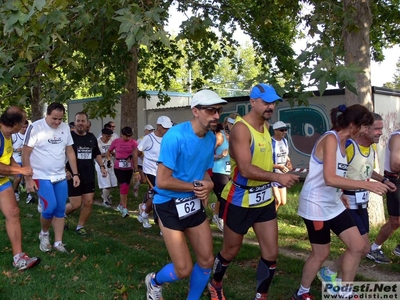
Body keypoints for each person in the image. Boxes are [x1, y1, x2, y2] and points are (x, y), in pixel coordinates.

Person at [208, 83, 299, 300]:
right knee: (231, 250)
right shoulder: (241, 128)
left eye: (273, 103)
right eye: (266, 102)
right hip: (240, 198)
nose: (270, 107)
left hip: (264, 198)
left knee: (271, 253)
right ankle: (215, 283)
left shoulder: (266, 128)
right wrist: (278, 177)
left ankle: (261, 295)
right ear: (252, 102)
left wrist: (278, 168)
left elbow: (263, 163)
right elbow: (246, 168)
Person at [293, 105, 389, 300]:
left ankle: (345, 292)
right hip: (316, 205)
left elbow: (337, 177)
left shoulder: (346, 143)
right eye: (365, 127)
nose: (366, 131)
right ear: (353, 125)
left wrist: (340, 193)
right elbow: (329, 177)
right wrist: (365, 185)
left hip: (334, 203)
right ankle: (301, 293)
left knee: (359, 246)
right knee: (321, 254)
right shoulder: (330, 139)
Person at [145, 89, 227, 300]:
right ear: (195, 111)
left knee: (207, 260)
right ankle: (154, 281)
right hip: (168, 204)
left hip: (192, 203)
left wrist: (207, 185)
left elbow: (203, 174)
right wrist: (196, 186)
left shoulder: (210, 139)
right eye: (211, 110)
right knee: (183, 270)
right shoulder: (175, 136)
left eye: (218, 111)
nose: (216, 116)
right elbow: (162, 181)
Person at [317, 112, 396, 287]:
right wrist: (341, 193)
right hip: (348, 202)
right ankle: (335, 278)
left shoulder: (372, 148)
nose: (379, 132)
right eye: (376, 129)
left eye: (381, 128)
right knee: (360, 247)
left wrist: (383, 180)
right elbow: (335, 173)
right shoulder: (350, 146)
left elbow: (366, 170)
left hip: (362, 202)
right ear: (365, 129)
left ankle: (332, 275)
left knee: (362, 248)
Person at [23, 102, 80, 254]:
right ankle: (44, 233)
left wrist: (75, 174)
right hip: (40, 175)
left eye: (60, 119)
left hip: (60, 175)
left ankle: (58, 243)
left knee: (60, 210)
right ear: (47, 115)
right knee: (49, 208)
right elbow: (25, 153)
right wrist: (28, 178)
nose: (57, 122)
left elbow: (70, 152)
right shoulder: (35, 127)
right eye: (54, 118)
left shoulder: (65, 128)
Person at [0, 106, 40, 270]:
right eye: (24, 122)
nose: (25, 125)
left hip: (1, 182)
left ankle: (19, 258)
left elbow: (8, 159)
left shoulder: (8, 135)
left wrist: (22, 171)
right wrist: (20, 170)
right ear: (16, 123)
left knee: (14, 212)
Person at [64, 112, 107, 235]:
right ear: (74, 122)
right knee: (75, 205)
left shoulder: (92, 137)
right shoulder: (69, 137)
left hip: (88, 175)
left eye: (83, 121)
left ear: (87, 123)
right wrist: (65, 170)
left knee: (88, 202)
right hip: (73, 175)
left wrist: (102, 166)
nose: (80, 123)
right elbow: (60, 155)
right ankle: (60, 215)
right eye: (78, 121)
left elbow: (96, 153)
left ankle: (80, 227)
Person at [367, 116, 400, 263]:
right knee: (395, 221)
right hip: (396, 180)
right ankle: (374, 248)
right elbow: (394, 165)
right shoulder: (397, 138)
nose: (380, 132)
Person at [137, 116, 173, 228]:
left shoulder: (168, 138)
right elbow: (136, 153)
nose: (167, 130)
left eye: (168, 128)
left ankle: (144, 212)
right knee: (159, 194)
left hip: (163, 171)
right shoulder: (149, 138)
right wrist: (137, 171)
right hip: (150, 171)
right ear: (158, 126)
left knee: (156, 196)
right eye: (165, 128)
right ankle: (163, 224)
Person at [211, 113, 239, 232]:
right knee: (223, 195)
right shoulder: (219, 136)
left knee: (228, 196)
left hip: (231, 172)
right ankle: (217, 217)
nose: (233, 126)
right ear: (226, 124)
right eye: (231, 123)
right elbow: (207, 155)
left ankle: (216, 208)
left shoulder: (237, 137)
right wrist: (219, 155)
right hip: (218, 170)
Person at [106, 126, 140, 218]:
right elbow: (108, 151)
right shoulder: (116, 141)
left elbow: (138, 153)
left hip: (129, 168)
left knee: (126, 187)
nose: (128, 138)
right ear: (122, 135)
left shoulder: (133, 142)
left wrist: (132, 157)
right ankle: (125, 208)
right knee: (123, 185)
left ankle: (121, 204)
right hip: (118, 167)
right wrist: (109, 160)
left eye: (130, 136)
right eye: (126, 136)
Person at [271, 121, 293, 210]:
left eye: (286, 130)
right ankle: (270, 221)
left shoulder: (285, 141)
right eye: (282, 130)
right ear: (275, 131)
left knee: (283, 202)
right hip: (273, 175)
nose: (284, 132)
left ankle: (268, 215)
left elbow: (286, 155)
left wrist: (289, 163)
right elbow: (265, 162)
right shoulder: (270, 142)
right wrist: (278, 166)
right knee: (277, 201)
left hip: (282, 175)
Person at [11, 119, 34, 203]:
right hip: (16, 159)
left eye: (26, 127)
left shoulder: (29, 136)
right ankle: (15, 191)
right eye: (23, 127)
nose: (24, 129)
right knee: (18, 178)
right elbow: (8, 148)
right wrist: (18, 149)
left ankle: (29, 195)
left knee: (28, 176)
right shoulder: (14, 136)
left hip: (27, 159)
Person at [96, 128, 118, 207]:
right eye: (107, 136)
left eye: (110, 136)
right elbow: (96, 154)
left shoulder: (111, 140)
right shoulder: (98, 142)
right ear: (102, 134)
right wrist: (106, 154)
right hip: (101, 163)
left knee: (114, 184)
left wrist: (112, 153)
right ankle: (105, 200)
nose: (108, 138)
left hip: (110, 162)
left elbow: (113, 151)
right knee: (106, 184)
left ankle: (104, 193)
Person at [133, 124, 155, 198]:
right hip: (141, 162)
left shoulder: (152, 139)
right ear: (145, 131)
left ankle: (150, 194)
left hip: (149, 164)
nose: (151, 132)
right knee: (143, 180)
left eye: (152, 130)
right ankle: (136, 187)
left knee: (149, 180)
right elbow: (137, 152)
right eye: (149, 130)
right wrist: (143, 157)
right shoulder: (140, 140)